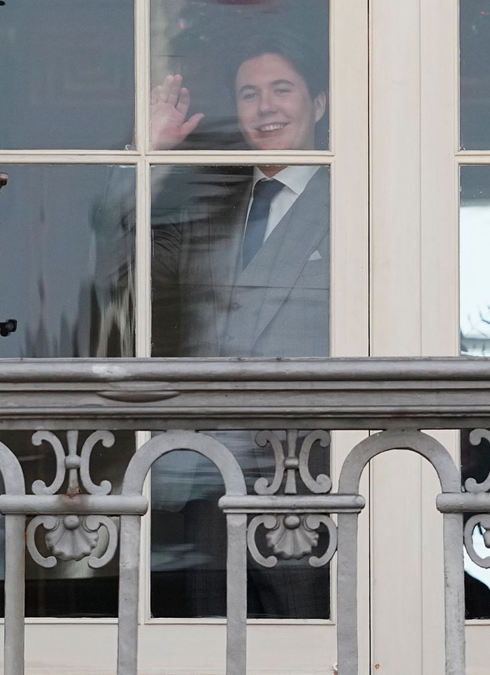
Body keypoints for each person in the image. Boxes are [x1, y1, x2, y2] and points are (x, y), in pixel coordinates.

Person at [147, 33, 333, 620]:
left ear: (318, 104)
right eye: (249, 94)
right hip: (204, 482)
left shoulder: (356, 201)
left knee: (311, 645)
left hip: (311, 480)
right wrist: (148, 155)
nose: (266, 106)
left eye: (282, 89)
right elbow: (125, 263)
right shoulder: (214, 203)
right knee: (211, 648)